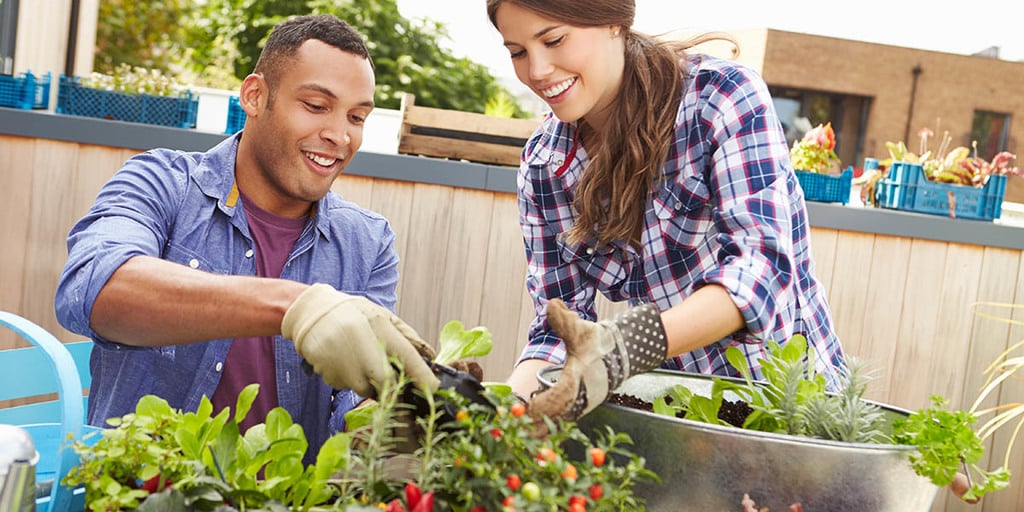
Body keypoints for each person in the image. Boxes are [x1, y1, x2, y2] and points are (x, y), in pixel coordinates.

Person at [54, 14, 437, 458]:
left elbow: (351, 408)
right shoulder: (162, 182)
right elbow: (92, 291)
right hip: (142, 493)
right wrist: (293, 307)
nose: (339, 135)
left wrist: (391, 419)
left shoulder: (368, 243)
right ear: (255, 96)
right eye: (316, 106)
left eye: (357, 116)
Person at [485, 0, 847, 420]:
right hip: (681, 422)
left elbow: (760, 272)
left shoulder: (722, 99)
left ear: (615, 22)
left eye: (554, 39)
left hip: (795, 412)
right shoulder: (544, 169)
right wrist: (501, 411)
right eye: (518, 52)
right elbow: (559, 333)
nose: (537, 70)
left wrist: (626, 345)